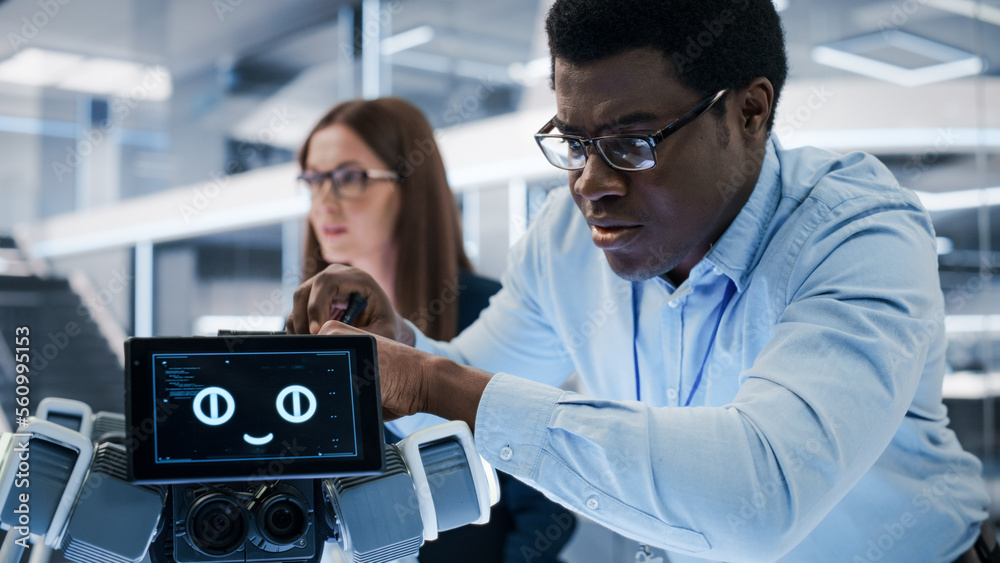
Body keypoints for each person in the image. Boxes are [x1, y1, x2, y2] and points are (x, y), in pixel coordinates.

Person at [287, 2, 996, 561]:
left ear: (749, 112)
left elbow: (762, 494)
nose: (592, 184)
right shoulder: (566, 240)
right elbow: (475, 390)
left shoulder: (856, 233)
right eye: (573, 143)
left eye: (632, 142)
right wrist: (400, 347)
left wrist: (431, 379)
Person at [295, 96, 575, 563]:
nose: (324, 202)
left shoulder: (491, 311)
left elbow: (545, 504)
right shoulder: (312, 331)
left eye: (348, 178)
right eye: (312, 180)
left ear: (410, 188)